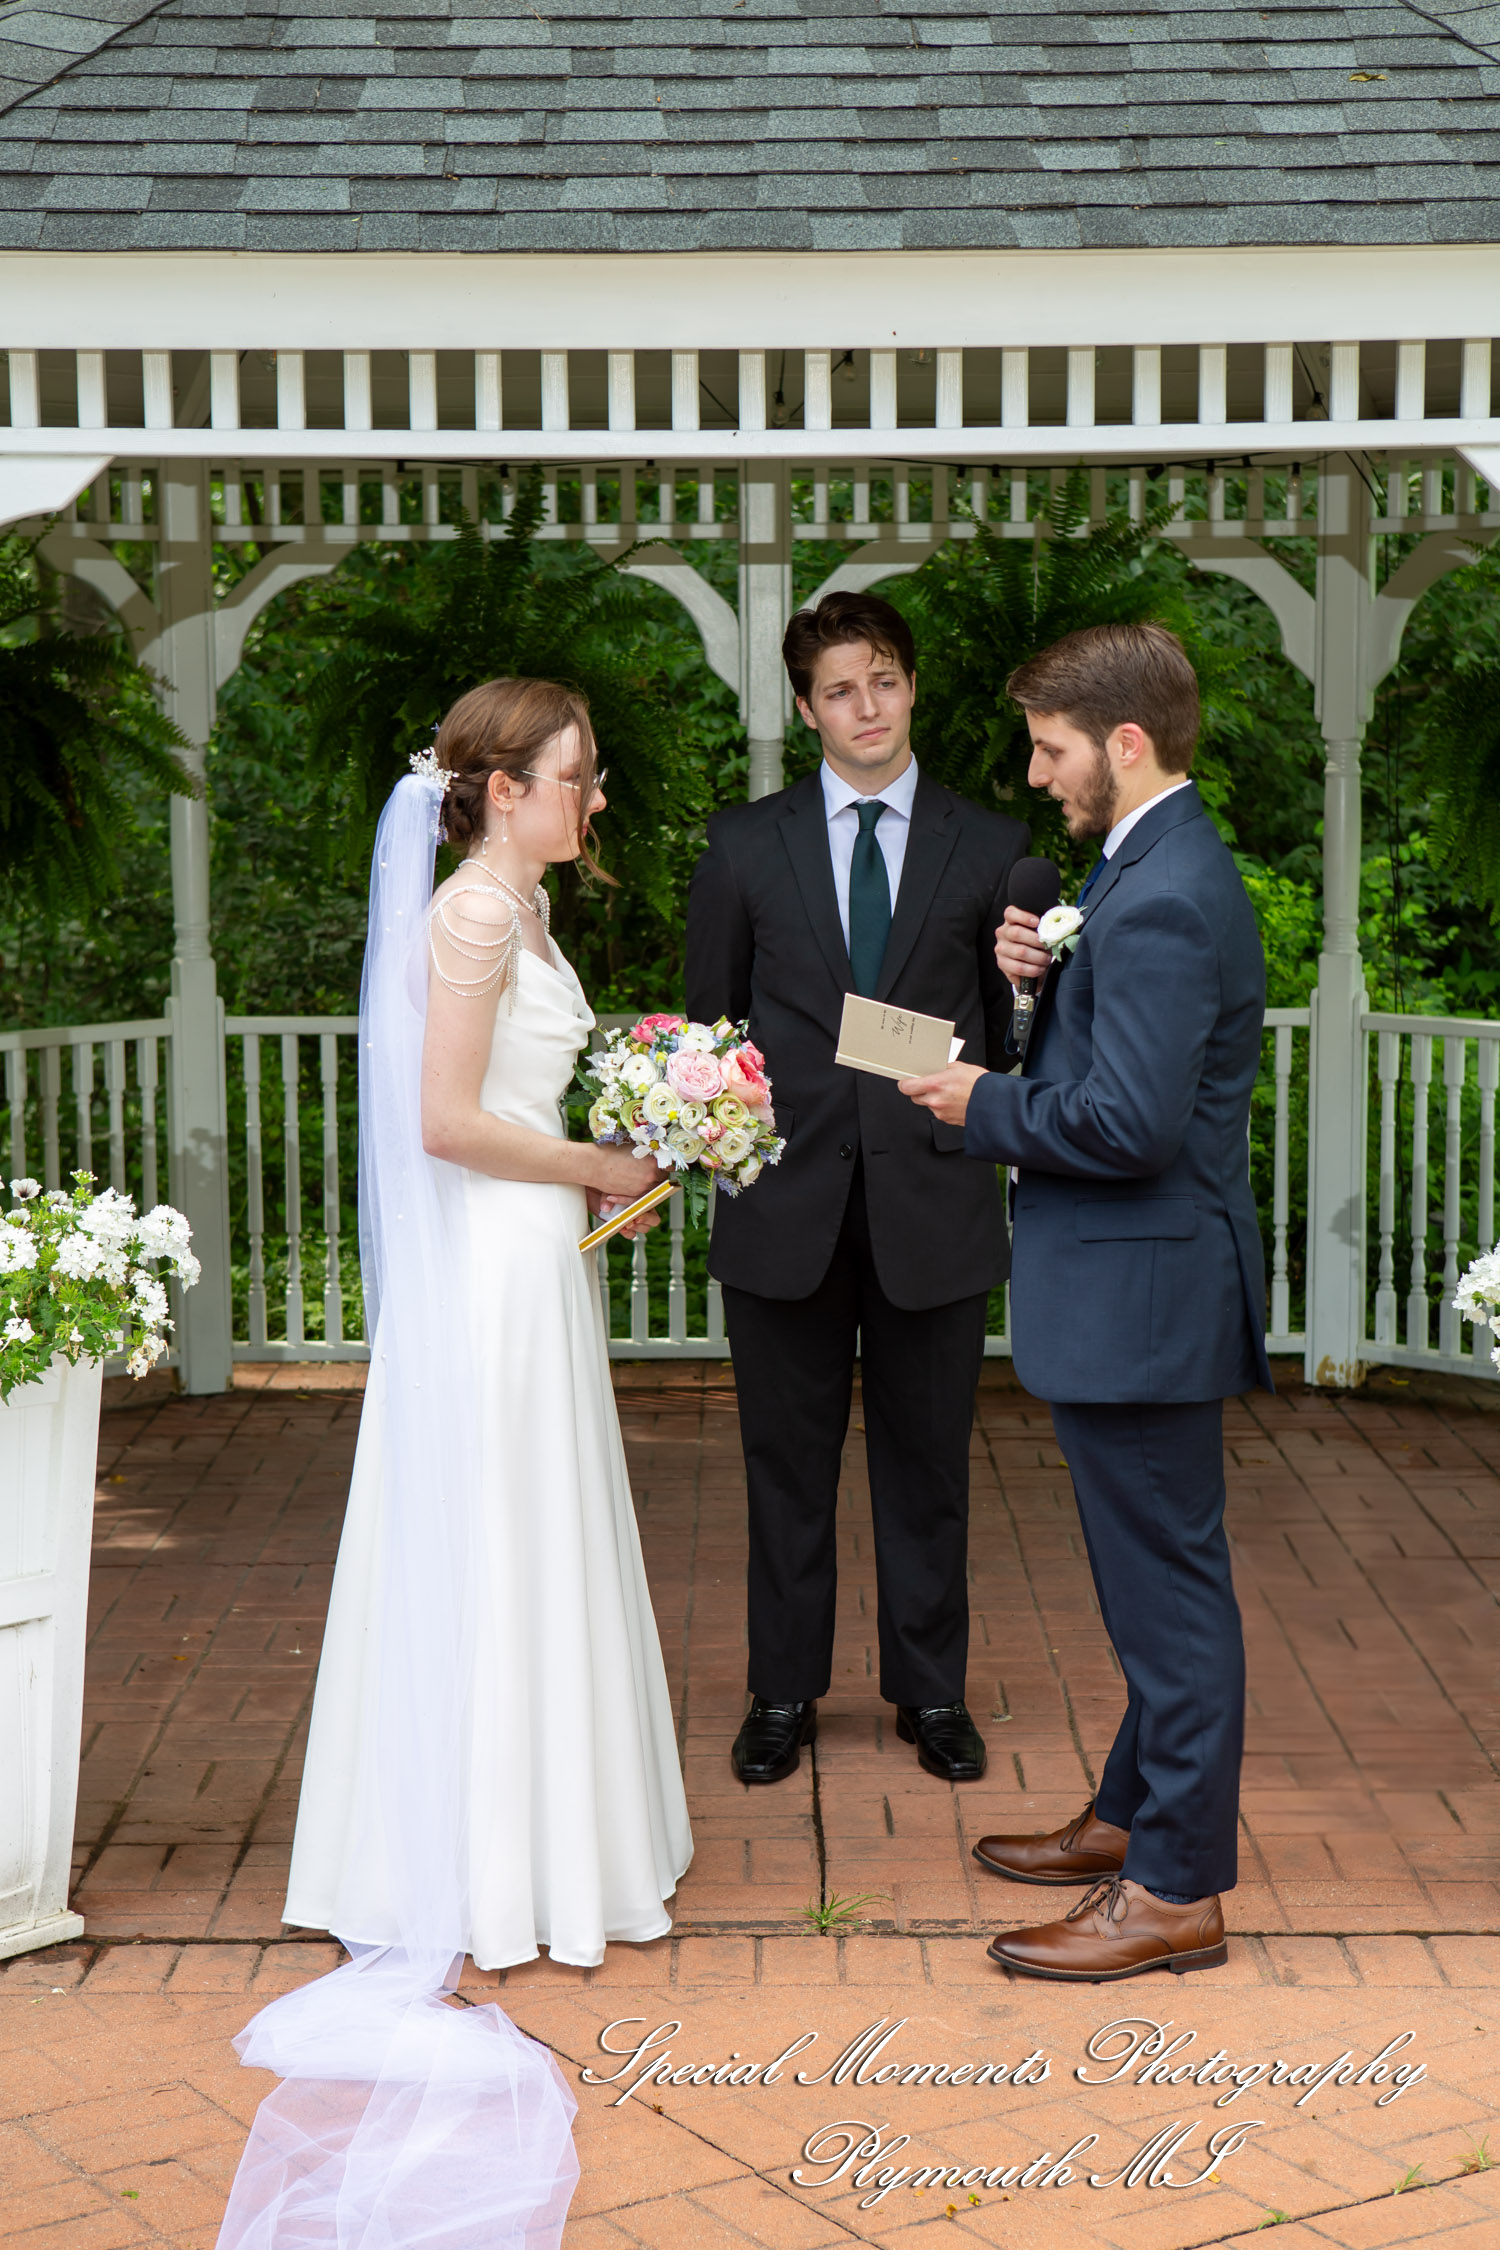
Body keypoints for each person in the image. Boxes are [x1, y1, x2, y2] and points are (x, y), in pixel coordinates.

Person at [215, 681, 692, 2250]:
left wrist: (634, 1148)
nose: (593, 797)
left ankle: (542, 1840)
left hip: (532, 1259)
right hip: (492, 1265)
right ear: (499, 790)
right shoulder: (475, 920)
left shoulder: (523, 907)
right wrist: (599, 1160)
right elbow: (443, 1121)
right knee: (494, 1542)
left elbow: (510, 1096)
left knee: (536, 1538)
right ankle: (482, 1869)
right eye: (575, 778)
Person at [899, 622, 1270, 1983]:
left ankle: (1175, 1888)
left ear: (1125, 743)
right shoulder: (1141, 869)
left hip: (1149, 1298)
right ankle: (1130, 1817)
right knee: (1148, 1583)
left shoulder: (1168, 891)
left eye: (1053, 750)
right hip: (1130, 1292)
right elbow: (1112, 1065)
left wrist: (979, 1100)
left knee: (1170, 1595)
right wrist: (1029, 994)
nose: (1042, 777)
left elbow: (1129, 1124)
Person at [685, 590, 1030, 1788]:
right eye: (840, 688)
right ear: (804, 709)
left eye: (883, 679)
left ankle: (931, 1692)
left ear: (913, 687)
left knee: (930, 1466)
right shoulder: (742, 846)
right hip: (785, 1210)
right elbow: (711, 1034)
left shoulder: (990, 848)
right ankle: (782, 1691)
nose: (866, 706)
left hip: (932, 1206)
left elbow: (1015, 1042)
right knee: (784, 1467)